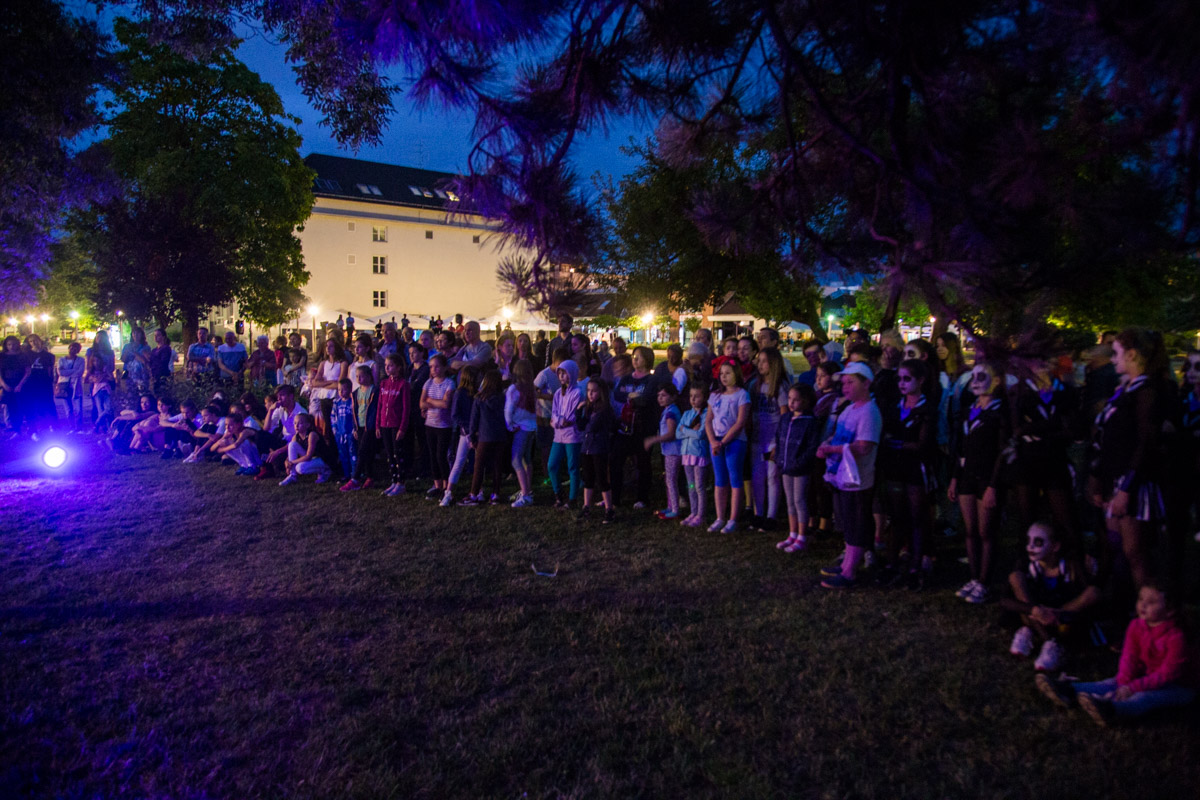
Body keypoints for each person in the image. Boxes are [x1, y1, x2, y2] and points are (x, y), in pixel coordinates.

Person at [1035, 581, 1196, 726]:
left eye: (1151, 602)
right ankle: (1069, 690)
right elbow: (1129, 657)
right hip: (1146, 676)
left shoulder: (1176, 637)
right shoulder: (1136, 625)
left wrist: (1132, 688)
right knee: (1110, 683)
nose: (1143, 605)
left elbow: (1167, 674)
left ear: (1170, 611)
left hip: (1179, 686)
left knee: (1145, 697)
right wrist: (1123, 682)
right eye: (1141, 599)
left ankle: (1112, 710)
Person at [1088, 328, 1168, 597]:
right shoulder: (1125, 389)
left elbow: (1145, 443)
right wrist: (1100, 478)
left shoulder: (1146, 391)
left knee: (1135, 552)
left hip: (1132, 482)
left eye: (1116, 353)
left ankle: (1149, 609)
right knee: (1117, 545)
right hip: (1115, 478)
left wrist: (1126, 488)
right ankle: (1126, 604)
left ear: (1132, 355)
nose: (1112, 359)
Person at [874, 358, 940, 590]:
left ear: (920, 380)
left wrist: (897, 443)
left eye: (907, 379)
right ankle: (892, 564)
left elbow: (923, 444)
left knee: (917, 517)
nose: (901, 383)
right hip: (895, 468)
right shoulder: (895, 406)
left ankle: (915, 566)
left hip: (915, 469)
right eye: (899, 379)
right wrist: (900, 444)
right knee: (897, 516)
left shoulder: (927, 409)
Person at [816, 362, 882, 589]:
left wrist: (832, 450)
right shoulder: (850, 409)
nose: (845, 387)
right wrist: (826, 444)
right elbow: (838, 435)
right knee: (848, 521)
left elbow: (864, 446)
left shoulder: (869, 412)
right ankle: (847, 564)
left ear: (866, 383)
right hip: (844, 477)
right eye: (843, 383)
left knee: (856, 523)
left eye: (850, 382)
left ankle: (850, 571)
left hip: (858, 479)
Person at [1004, 522, 1101, 672]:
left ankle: (1046, 639)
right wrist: (1034, 610)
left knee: (1092, 593)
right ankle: (1049, 641)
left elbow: (1090, 593)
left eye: (1038, 542)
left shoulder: (1070, 566)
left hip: (1061, 616)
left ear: (1055, 546)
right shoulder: (1027, 564)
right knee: (1015, 578)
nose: (1030, 547)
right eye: (1028, 541)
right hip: (1035, 614)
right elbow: (1004, 600)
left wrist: (1058, 613)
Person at [949, 362, 1009, 604]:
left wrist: (994, 485)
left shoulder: (1000, 412)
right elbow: (961, 448)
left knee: (986, 532)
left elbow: (1002, 451)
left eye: (981, 376)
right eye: (973, 376)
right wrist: (955, 477)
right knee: (971, 530)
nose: (975, 382)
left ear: (996, 381)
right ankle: (974, 578)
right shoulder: (969, 410)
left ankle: (985, 581)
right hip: (967, 476)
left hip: (987, 478)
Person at [774, 383, 821, 552]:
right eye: (789, 399)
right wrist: (779, 458)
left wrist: (800, 462)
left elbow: (811, 447)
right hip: (786, 466)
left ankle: (802, 536)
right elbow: (779, 438)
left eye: (796, 400)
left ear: (806, 401)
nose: (791, 403)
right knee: (790, 501)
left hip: (801, 469)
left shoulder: (810, 422)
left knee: (799, 500)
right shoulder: (786, 418)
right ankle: (792, 533)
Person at [705, 361, 751, 533]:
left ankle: (733, 518)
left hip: (735, 441)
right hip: (716, 441)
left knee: (735, 478)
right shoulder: (715, 395)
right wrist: (712, 441)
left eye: (728, 373)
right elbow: (708, 420)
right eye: (722, 373)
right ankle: (720, 517)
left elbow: (740, 422)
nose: (724, 376)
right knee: (719, 479)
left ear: (736, 374)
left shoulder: (742, 395)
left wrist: (723, 442)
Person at [747, 348, 790, 531]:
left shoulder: (780, 387)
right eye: (759, 360)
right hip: (757, 437)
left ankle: (771, 516)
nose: (760, 364)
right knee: (758, 476)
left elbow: (785, 415)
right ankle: (759, 513)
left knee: (772, 476)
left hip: (773, 438)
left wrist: (779, 443)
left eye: (764, 361)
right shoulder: (755, 385)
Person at [611, 346, 656, 509]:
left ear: (647, 359)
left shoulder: (651, 380)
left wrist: (634, 398)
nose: (635, 360)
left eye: (639, 357)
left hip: (643, 428)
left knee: (643, 463)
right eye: (633, 356)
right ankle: (614, 497)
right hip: (625, 427)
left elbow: (648, 399)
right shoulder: (626, 378)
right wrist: (631, 395)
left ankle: (642, 497)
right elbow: (618, 394)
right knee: (616, 460)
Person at [575, 377, 618, 524]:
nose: (590, 394)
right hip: (587, 446)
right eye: (588, 391)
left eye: (594, 391)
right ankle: (586, 506)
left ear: (601, 392)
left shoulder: (604, 410)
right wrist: (579, 411)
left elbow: (592, 426)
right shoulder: (590, 407)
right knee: (588, 477)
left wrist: (585, 419)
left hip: (599, 447)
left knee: (601, 478)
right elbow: (581, 426)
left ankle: (609, 509)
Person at [461, 368, 507, 506]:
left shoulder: (479, 399)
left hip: (485, 436)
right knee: (497, 466)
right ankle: (495, 494)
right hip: (500, 436)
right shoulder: (503, 398)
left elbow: (474, 420)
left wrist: (472, 437)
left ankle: (474, 494)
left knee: (479, 466)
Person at [643, 382, 683, 519]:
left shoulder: (671, 413)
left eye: (664, 395)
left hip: (673, 451)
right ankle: (670, 506)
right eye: (659, 395)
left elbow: (671, 434)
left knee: (671, 480)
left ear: (673, 397)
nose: (660, 398)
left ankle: (675, 509)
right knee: (669, 479)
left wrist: (654, 439)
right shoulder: (668, 410)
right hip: (669, 451)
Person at [420, 354, 456, 500]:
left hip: (444, 425)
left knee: (441, 455)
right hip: (430, 424)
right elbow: (421, 403)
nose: (433, 370)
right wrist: (436, 402)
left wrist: (430, 400)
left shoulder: (449, 383)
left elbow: (446, 404)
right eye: (431, 367)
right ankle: (437, 485)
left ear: (444, 367)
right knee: (432, 455)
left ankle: (446, 486)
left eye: (437, 366)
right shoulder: (428, 383)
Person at [548, 359, 582, 508]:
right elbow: (554, 413)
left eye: (564, 373)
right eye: (559, 373)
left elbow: (570, 417)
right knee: (552, 464)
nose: (561, 376)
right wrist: (557, 421)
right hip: (558, 435)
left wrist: (559, 421)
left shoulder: (577, 393)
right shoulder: (558, 393)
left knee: (572, 467)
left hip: (572, 436)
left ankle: (572, 498)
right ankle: (558, 493)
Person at [340, 364, 380, 492]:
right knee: (366, 451)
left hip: (370, 426)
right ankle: (370, 477)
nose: (358, 379)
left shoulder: (374, 391)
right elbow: (355, 411)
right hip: (360, 425)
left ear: (368, 376)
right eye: (357, 376)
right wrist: (355, 428)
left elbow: (376, 410)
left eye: (361, 376)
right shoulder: (356, 393)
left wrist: (376, 425)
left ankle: (355, 479)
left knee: (363, 450)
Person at [443, 365, 479, 505]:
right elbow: (455, 415)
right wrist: (469, 429)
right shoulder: (460, 393)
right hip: (467, 433)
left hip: (475, 431)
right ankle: (448, 492)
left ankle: (477, 491)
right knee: (459, 462)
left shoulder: (476, 393)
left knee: (477, 462)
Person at [677, 383, 711, 527]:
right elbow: (678, 434)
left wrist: (685, 429)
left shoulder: (706, 414)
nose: (693, 399)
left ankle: (701, 515)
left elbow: (701, 434)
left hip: (699, 454)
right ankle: (693, 511)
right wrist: (690, 430)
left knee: (699, 486)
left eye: (697, 396)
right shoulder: (686, 414)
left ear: (704, 397)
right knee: (690, 485)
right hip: (687, 455)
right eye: (691, 396)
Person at [376, 354, 411, 497]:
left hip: (396, 424)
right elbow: (380, 405)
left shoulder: (403, 384)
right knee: (389, 454)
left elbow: (406, 408)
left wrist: (402, 427)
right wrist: (378, 425)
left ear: (398, 367)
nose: (387, 368)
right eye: (385, 365)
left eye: (390, 365)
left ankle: (401, 483)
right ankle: (394, 480)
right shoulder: (384, 383)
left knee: (398, 454)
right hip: (384, 424)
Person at [506, 360, 538, 507]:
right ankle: (527, 489)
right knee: (527, 459)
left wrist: (510, 425)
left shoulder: (514, 389)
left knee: (516, 459)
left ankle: (525, 494)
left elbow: (509, 409)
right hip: (531, 427)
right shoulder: (531, 389)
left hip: (520, 427)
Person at [278, 412, 333, 485]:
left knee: (300, 468)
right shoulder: (296, 436)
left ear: (307, 425)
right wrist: (287, 462)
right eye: (295, 423)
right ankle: (292, 475)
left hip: (323, 459)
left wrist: (292, 463)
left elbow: (308, 456)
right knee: (291, 444)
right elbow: (291, 453)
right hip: (313, 459)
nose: (296, 425)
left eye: (300, 423)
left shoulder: (312, 435)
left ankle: (325, 471)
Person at [21, 335, 56, 435]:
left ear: (40, 341)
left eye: (35, 340)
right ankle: (33, 427)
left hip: (44, 383)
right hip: (31, 383)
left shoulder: (48, 356)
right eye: (31, 341)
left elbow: (50, 370)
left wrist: (52, 382)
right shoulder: (26, 355)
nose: (34, 343)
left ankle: (50, 425)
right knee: (32, 405)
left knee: (47, 404)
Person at [85, 330, 116, 432]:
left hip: (107, 379)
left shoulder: (110, 352)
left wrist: (105, 375)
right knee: (97, 405)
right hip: (96, 381)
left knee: (108, 406)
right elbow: (88, 367)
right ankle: (99, 426)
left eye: (102, 338)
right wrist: (93, 377)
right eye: (98, 337)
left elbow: (112, 367)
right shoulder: (91, 351)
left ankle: (108, 426)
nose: (100, 340)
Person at [55, 340, 86, 430]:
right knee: (68, 408)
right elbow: (60, 372)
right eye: (71, 347)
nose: (72, 350)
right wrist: (73, 371)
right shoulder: (61, 360)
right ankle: (71, 425)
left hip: (76, 385)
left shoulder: (81, 360)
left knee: (78, 407)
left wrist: (67, 372)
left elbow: (80, 372)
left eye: (75, 349)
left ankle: (79, 426)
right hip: (64, 385)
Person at [330, 378, 357, 479]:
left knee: (352, 454)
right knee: (343, 454)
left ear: (350, 389)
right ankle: (346, 474)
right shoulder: (337, 403)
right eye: (339, 390)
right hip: (340, 434)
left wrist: (354, 430)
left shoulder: (352, 402)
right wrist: (335, 430)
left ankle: (354, 474)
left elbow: (355, 417)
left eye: (343, 389)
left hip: (350, 433)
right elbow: (333, 417)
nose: (341, 392)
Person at [121, 326, 152, 391]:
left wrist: (135, 354)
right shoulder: (127, 346)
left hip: (141, 374)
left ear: (141, 335)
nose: (136, 335)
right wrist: (127, 351)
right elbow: (123, 359)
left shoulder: (146, 347)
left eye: (138, 333)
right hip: (129, 374)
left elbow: (145, 361)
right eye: (134, 333)